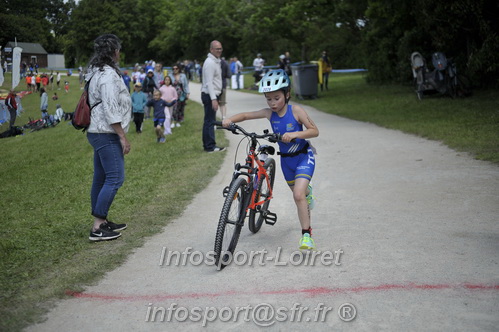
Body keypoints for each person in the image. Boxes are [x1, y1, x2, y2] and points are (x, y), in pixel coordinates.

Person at [222, 69, 319, 250]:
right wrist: (228, 120)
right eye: (269, 99)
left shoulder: (296, 110)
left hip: (303, 157)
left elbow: (314, 131)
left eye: (277, 98)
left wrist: (295, 134)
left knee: (298, 195)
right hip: (286, 162)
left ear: (287, 94)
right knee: (300, 194)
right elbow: (246, 115)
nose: (273, 103)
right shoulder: (269, 114)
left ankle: (306, 236)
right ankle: (308, 192)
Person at [85, 33, 132, 242]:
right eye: (118, 49)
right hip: (106, 132)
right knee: (115, 178)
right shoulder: (108, 76)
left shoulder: (96, 72)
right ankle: (97, 226)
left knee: (101, 177)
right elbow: (111, 109)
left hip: (97, 131)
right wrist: (122, 136)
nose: (119, 53)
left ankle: (101, 221)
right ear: (114, 52)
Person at [201, 40, 226, 152]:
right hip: (209, 95)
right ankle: (209, 146)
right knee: (209, 121)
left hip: (214, 94)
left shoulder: (216, 61)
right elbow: (209, 82)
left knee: (210, 120)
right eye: (217, 49)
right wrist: (213, 99)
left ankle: (209, 144)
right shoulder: (210, 62)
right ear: (211, 50)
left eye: (220, 48)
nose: (219, 50)